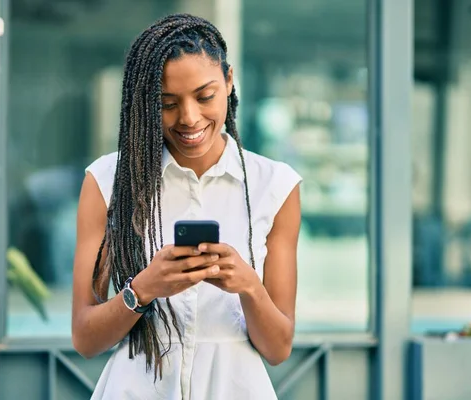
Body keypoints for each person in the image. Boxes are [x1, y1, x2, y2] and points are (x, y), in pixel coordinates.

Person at [71, 13, 302, 400]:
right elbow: (85, 338)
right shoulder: (107, 181)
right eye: (167, 103)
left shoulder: (274, 186)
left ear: (229, 80)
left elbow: (278, 349)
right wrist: (142, 289)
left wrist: (247, 285)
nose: (189, 117)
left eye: (205, 96)